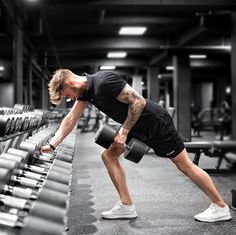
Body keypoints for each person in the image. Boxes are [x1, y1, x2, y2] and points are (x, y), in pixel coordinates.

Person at [40, 69, 232, 222]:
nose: (71, 98)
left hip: (155, 123)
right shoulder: (86, 94)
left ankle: (220, 206)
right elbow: (71, 118)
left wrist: (123, 131)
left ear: (71, 83)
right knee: (108, 156)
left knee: (184, 165)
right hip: (137, 127)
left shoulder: (104, 81)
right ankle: (126, 205)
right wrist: (53, 144)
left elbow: (138, 101)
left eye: (68, 95)